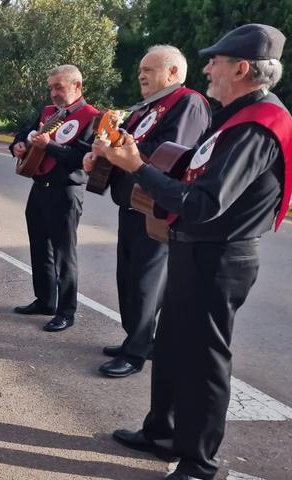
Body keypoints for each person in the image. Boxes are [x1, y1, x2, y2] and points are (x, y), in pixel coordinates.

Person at [95, 24, 290, 480]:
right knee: (172, 343)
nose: (207, 68)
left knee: (204, 360)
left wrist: (138, 168)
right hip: (193, 247)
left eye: (216, 61)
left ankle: (198, 463)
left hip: (221, 257)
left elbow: (205, 202)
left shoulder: (260, 124)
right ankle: (161, 432)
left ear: (242, 68)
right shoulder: (235, 113)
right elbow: (193, 166)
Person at [86, 46, 210, 377]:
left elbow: (174, 154)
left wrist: (118, 151)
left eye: (149, 69)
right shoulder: (145, 108)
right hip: (131, 205)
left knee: (145, 283)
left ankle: (137, 350)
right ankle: (137, 338)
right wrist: (99, 156)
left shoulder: (188, 102)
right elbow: (122, 147)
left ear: (172, 73)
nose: (140, 74)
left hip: (155, 209)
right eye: (140, 69)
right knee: (128, 278)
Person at [10, 65, 99, 332]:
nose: (53, 93)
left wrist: (50, 146)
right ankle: (45, 300)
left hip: (66, 191)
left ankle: (66, 311)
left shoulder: (92, 117)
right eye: (51, 87)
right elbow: (26, 131)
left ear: (77, 86)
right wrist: (18, 144)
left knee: (63, 254)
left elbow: (81, 159)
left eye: (59, 87)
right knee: (39, 248)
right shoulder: (50, 112)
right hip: (40, 187)